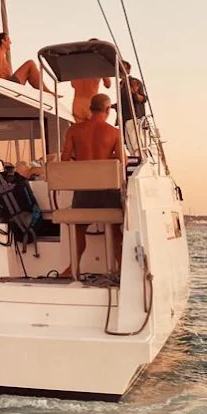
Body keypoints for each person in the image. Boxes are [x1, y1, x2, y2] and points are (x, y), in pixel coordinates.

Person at [60, 93, 123, 279]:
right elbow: (121, 161)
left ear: (90, 108)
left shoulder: (74, 130)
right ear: (108, 109)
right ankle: (121, 267)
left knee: (80, 228)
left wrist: (81, 159)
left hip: (83, 191)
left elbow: (64, 159)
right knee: (115, 229)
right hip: (107, 192)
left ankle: (74, 267)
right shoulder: (114, 132)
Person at [118, 60, 147, 152]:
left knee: (136, 145)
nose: (120, 71)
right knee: (128, 144)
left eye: (122, 69)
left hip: (134, 118)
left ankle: (140, 159)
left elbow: (142, 99)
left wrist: (134, 92)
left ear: (128, 70)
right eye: (119, 69)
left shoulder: (134, 81)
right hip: (124, 118)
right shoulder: (120, 84)